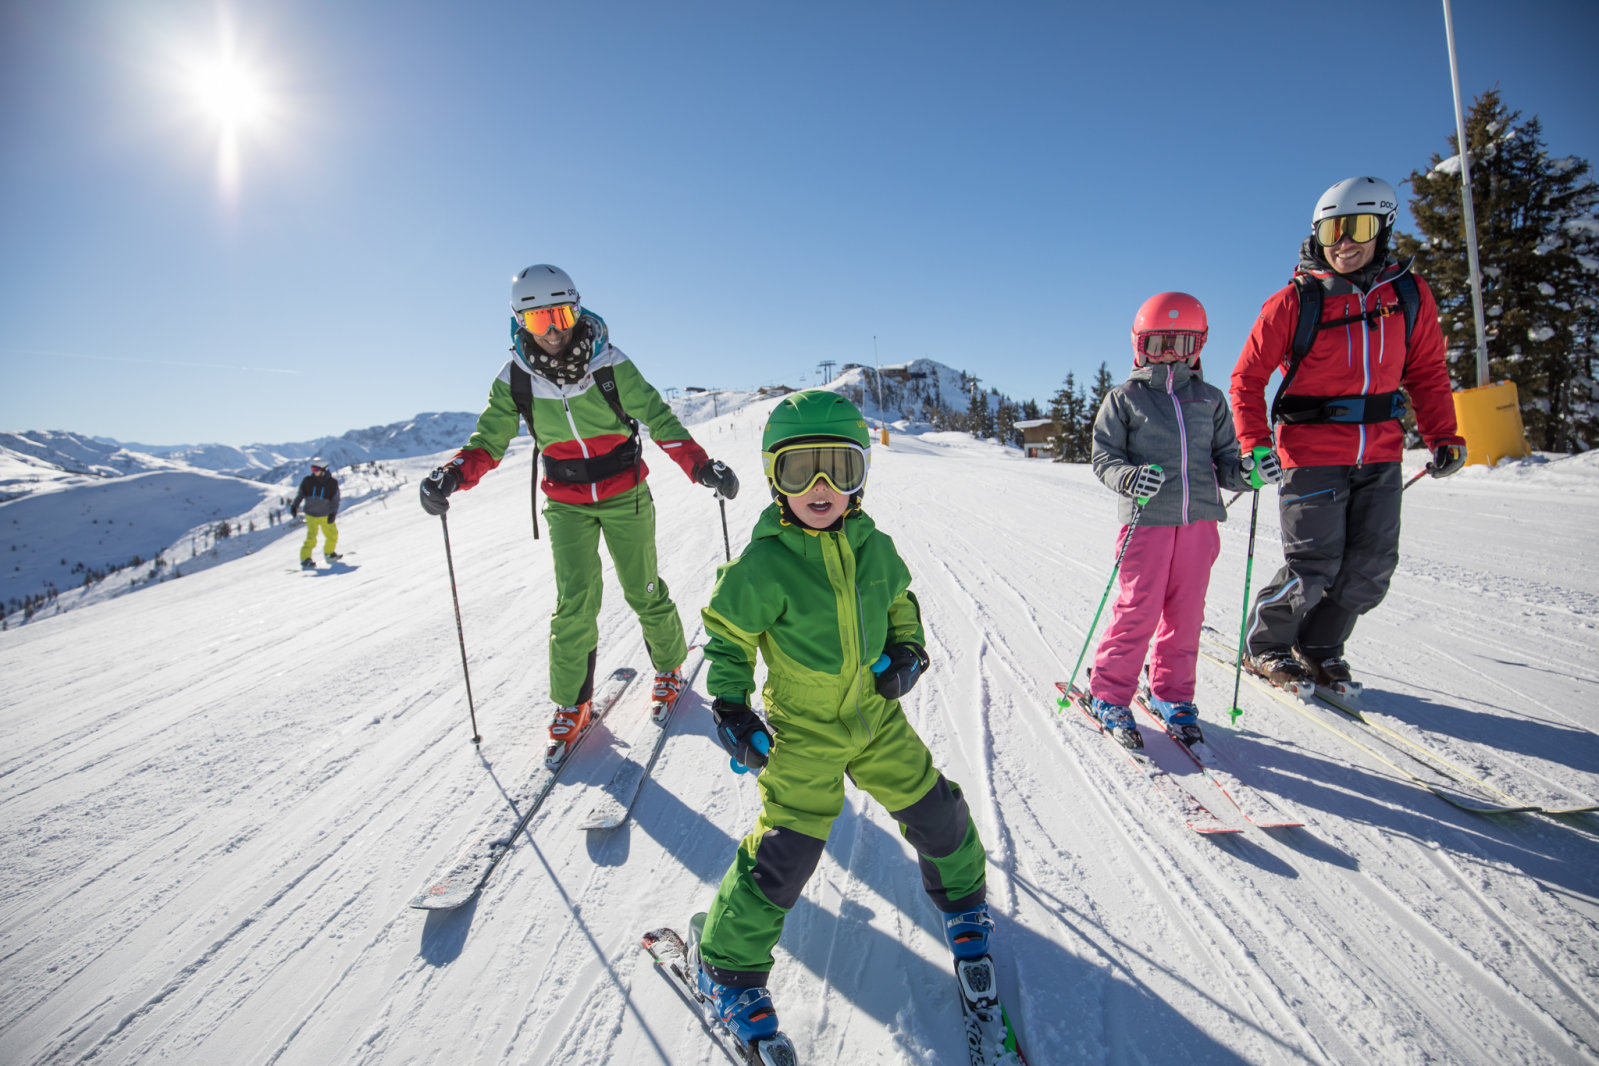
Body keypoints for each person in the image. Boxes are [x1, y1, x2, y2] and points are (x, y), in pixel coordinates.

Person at [690, 390, 991, 1048]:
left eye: (840, 469)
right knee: (784, 855)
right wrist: (732, 703)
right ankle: (726, 966)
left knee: (938, 813)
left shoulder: (873, 546)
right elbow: (727, 639)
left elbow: (900, 602)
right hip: (802, 734)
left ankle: (965, 907)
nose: (821, 487)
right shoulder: (762, 564)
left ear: (860, 477)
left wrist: (907, 651)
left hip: (873, 719)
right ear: (775, 478)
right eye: (802, 471)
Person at [417, 264, 739, 760]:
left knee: (644, 588)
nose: (552, 331)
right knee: (574, 602)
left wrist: (702, 467)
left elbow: (659, 417)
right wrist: (454, 474)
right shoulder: (515, 381)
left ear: (578, 309)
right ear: (519, 324)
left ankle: (671, 668)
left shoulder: (609, 365)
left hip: (625, 491)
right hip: (566, 503)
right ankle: (573, 703)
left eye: (561, 315)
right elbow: (488, 441)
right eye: (537, 321)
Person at [1230, 177, 1466, 693]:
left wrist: (1443, 434)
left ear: (1383, 227)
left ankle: (1319, 647)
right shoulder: (1294, 301)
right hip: (1310, 451)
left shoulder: (1408, 294)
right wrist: (1255, 443)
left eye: (1357, 227)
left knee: (1370, 566)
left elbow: (1427, 371)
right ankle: (1266, 646)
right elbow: (1247, 377)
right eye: (1332, 229)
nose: (1344, 242)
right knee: (1314, 564)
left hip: (1380, 451)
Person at [1087, 292, 1256, 747]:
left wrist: (1250, 473)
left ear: (1198, 346)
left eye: (1181, 344)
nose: (1169, 354)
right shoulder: (1124, 399)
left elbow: (1226, 462)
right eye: (1159, 342)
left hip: (1199, 522)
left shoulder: (1210, 400)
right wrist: (1128, 477)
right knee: (1138, 609)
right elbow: (1104, 457)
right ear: (1139, 345)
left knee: (1186, 614)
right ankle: (1108, 692)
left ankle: (1172, 694)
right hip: (1147, 521)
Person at [290, 458, 341, 568]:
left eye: (316, 469)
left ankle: (329, 553)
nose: (314, 471)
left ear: (324, 469)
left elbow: (335, 500)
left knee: (332, 535)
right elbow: (300, 495)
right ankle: (305, 559)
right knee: (311, 538)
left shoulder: (332, 483)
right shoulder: (308, 481)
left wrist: (333, 513)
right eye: (312, 468)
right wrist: (295, 506)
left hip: (325, 515)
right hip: (311, 515)